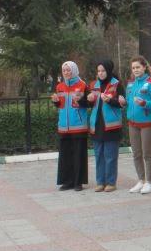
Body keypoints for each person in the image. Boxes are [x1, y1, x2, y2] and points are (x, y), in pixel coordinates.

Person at [124, 56, 151, 195]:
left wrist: (144, 103)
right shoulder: (131, 84)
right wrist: (123, 102)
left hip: (148, 123)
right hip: (133, 123)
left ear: (144, 67)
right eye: (133, 68)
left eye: (138, 67)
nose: (136, 70)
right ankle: (141, 180)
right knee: (136, 154)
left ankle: (149, 182)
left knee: (147, 153)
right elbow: (128, 102)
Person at [52, 61, 89, 191]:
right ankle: (67, 182)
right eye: (64, 70)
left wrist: (81, 100)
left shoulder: (83, 85)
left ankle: (78, 182)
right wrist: (55, 102)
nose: (66, 72)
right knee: (65, 156)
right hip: (63, 126)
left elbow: (90, 103)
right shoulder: (59, 87)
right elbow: (61, 105)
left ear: (74, 70)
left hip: (78, 125)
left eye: (69, 70)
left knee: (78, 155)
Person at [88, 59, 124, 192]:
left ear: (109, 70)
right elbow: (89, 103)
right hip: (97, 125)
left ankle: (111, 182)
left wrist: (110, 100)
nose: (100, 73)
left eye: (103, 70)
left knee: (110, 156)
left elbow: (122, 103)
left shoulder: (117, 84)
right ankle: (100, 182)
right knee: (99, 155)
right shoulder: (93, 85)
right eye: (98, 71)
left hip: (111, 126)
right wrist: (88, 99)